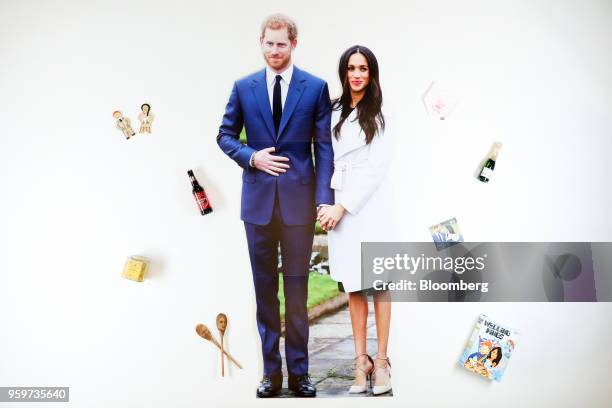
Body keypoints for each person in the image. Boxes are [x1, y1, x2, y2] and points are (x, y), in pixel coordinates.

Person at [216, 14, 334, 398]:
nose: (274, 51)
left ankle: (300, 373)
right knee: (264, 292)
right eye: (268, 43)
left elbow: (324, 147)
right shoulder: (243, 87)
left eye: (281, 44)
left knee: (297, 292)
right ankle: (271, 373)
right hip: (258, 207)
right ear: (261, 43)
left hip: (299, 206)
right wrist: (252, 157)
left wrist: (323, 200)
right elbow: (225, 135)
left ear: (293, 44)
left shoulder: (315, 88)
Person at [317, 45, 396, 395]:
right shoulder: (332, 111)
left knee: (378, 282)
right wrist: (326, 204)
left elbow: (377, 169)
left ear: (372, 72)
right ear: (344, 72)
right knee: (352, 285)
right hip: (339, 199)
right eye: (351, 68)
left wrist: (342, 206)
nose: (357, 74)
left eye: (363, 68)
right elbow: (321, 155)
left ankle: (381, 361)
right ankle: (359, 362)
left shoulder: (382, 112)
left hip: (369, 205)